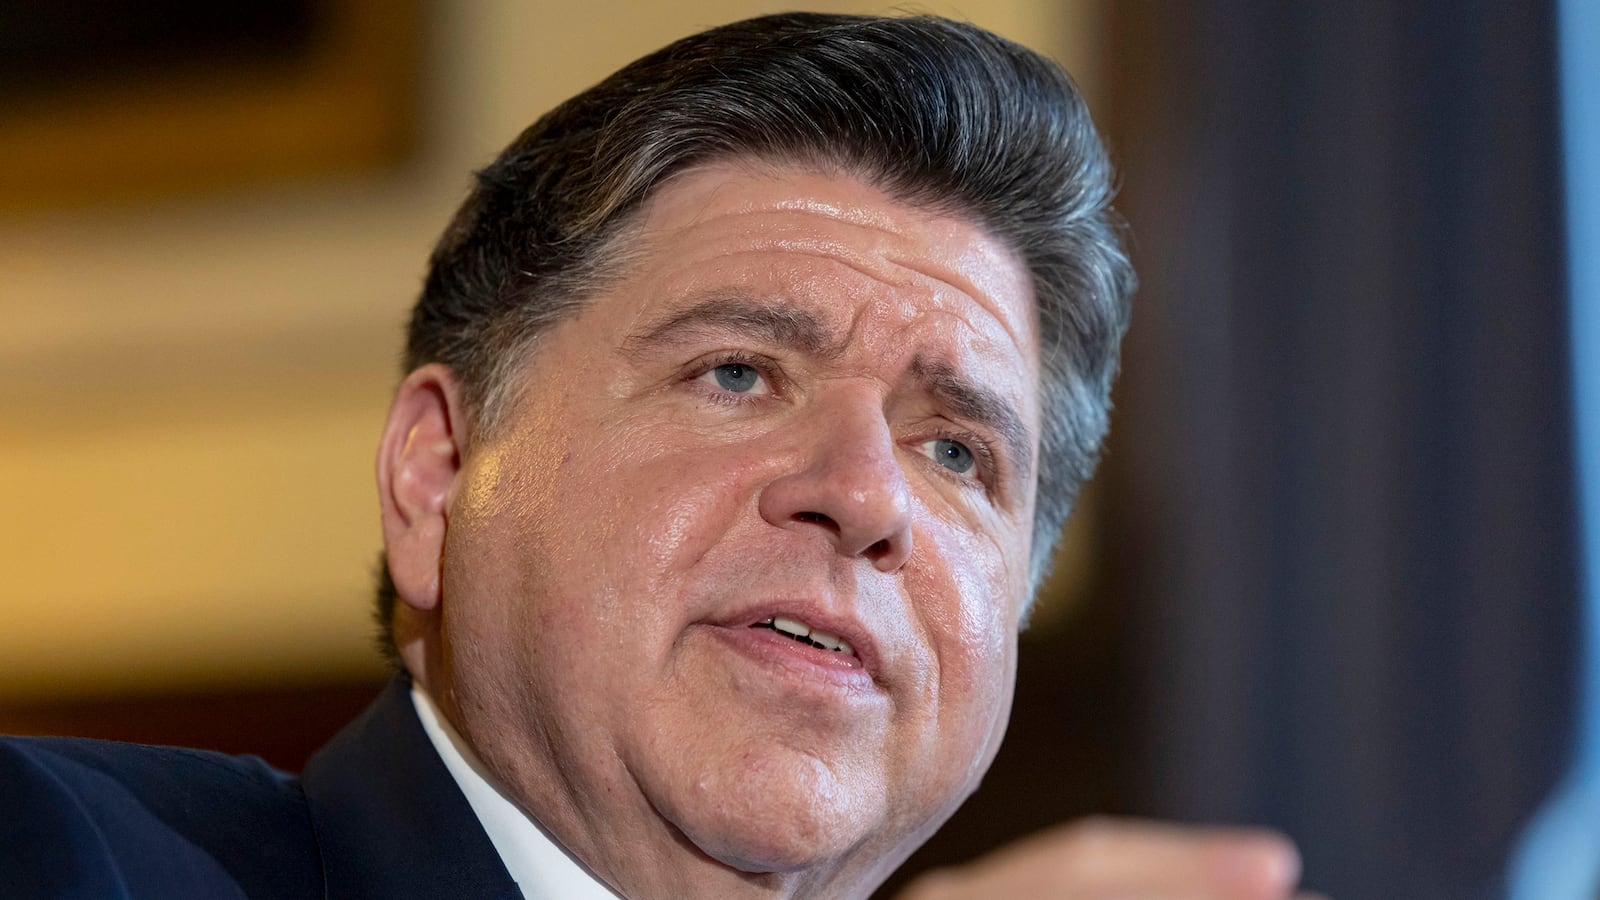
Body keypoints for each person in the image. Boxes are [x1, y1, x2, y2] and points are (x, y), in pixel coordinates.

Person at [0, 13, 1313, 899]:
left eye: (960, 453)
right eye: (738, 374)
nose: (865, 498)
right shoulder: (54, 855)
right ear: (436, 477)